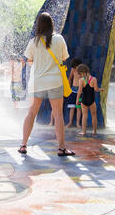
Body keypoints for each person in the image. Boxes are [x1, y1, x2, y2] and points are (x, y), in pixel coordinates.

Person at [18, 12, 75, 156]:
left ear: (39, 25)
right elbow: (64, 58)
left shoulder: (34, 42)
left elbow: (29, 61)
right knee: (58, 114)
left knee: (32, 112)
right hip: (55, 81)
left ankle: (23, 145)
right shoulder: (59, 39)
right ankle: (62, 148)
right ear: (51, 24)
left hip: (38, 82)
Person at [76, 64, 104, 136]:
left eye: (80, 73)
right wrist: (101, 89)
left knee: (84, 116)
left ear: (82, 72)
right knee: (94, 116)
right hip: (92, 101)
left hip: (84, 100)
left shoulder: (81, 80)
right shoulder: (94, 79)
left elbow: (79, 91)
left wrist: (77, 100)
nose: (80, 75)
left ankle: (83, 131)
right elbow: (96, 89)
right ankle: (94, 131)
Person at [66, 58, 83, 128]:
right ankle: (70, 122)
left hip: (80, 91)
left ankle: (78, 123)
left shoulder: (82, 71)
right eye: (74, 67)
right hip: (73, 90)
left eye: (76, 66)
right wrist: (68, 88)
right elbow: (70, 78)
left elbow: (84, 80)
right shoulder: (73, 70)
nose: (75, 68)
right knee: (72, 107)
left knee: (78, 107)